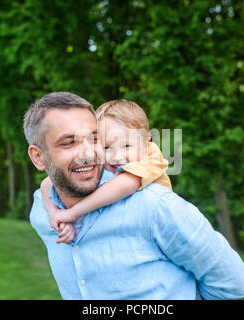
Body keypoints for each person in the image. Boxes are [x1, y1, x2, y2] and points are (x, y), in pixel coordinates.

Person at [24, 91, 244, 299]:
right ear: (38, 157)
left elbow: (234, 284)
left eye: (94, 139)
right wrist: (56, 213)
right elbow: (46, 187)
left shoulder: (155, 206)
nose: (87, 153)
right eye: (68, 142)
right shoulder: (41, 211)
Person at [40, 99, 172, 244]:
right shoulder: (100, 165)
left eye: (127, 146)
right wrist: (56, 214)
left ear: (146, 144)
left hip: (160, 228)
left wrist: (72, 213)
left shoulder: (152, 158)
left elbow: (125, 184)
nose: (117, 157)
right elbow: (47, 183)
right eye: (107, 147)